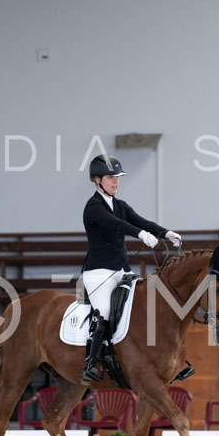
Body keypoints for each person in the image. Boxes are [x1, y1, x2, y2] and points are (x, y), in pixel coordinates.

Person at [81, 154, 181, 385]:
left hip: (122, 270)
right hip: (99, 272)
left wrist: (165, 233)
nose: (116, 182)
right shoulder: (93, 207)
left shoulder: (120, 205)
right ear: (97, 180)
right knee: (104, 313)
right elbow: (117, 224)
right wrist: (141, 235)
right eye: (110, 178)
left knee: (144, 306)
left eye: (117, 178)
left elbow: (140, 221)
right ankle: (91, 362)